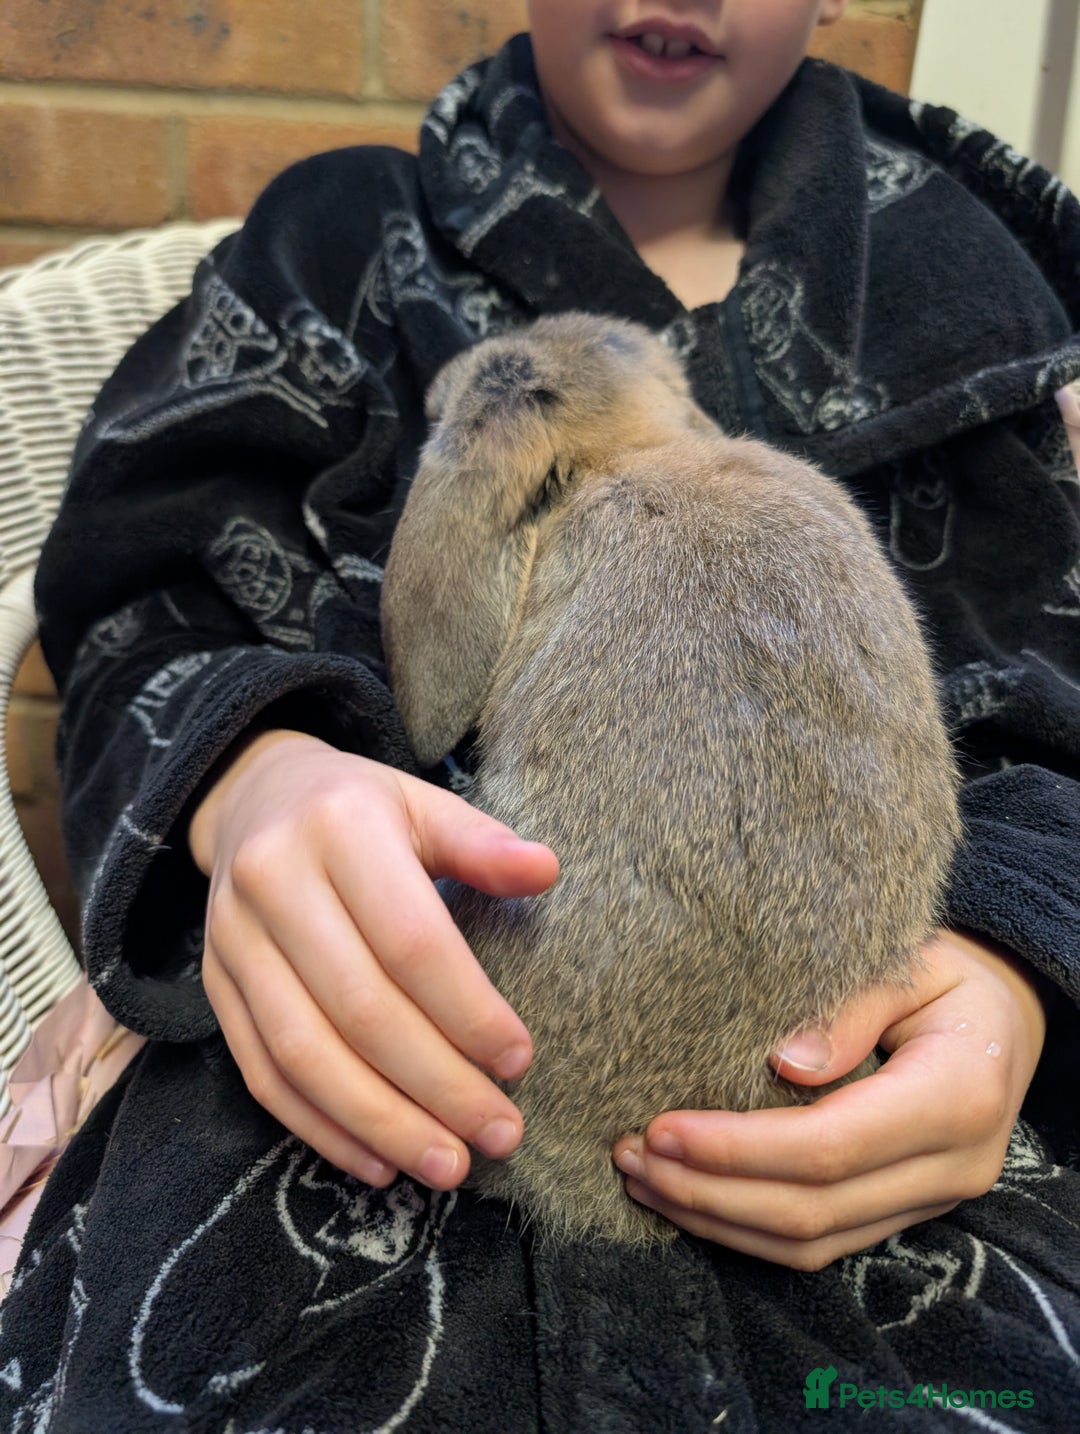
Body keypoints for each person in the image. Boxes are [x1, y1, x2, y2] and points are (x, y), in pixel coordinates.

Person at [3, 1, 1080, 1428]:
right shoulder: (340, 246)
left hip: (889, 1142)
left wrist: (1017, 963)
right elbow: (143, 595)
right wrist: (248, 769)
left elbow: (1050, 704)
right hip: (368, 1084)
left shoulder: (976, 291)